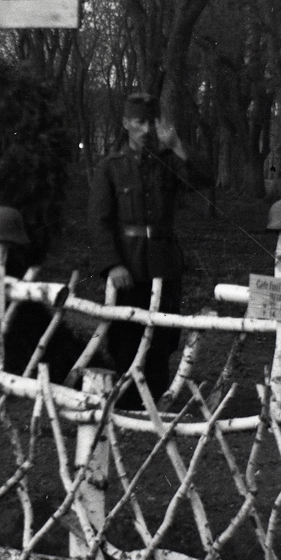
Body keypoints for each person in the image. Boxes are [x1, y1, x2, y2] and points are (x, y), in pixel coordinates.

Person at [89, 93, 209, 407]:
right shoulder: (110, 168)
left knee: (164, 334)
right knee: (126, 333)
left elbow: (202, 180)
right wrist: (112, 264)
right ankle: (126, 399)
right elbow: (100, 222)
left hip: (164, 261)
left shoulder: (168, 161)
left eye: (150, 123)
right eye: (139, 122)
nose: (146, 129)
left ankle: (155, 399)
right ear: (126, 124)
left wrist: (177, 145)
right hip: (128, 262)